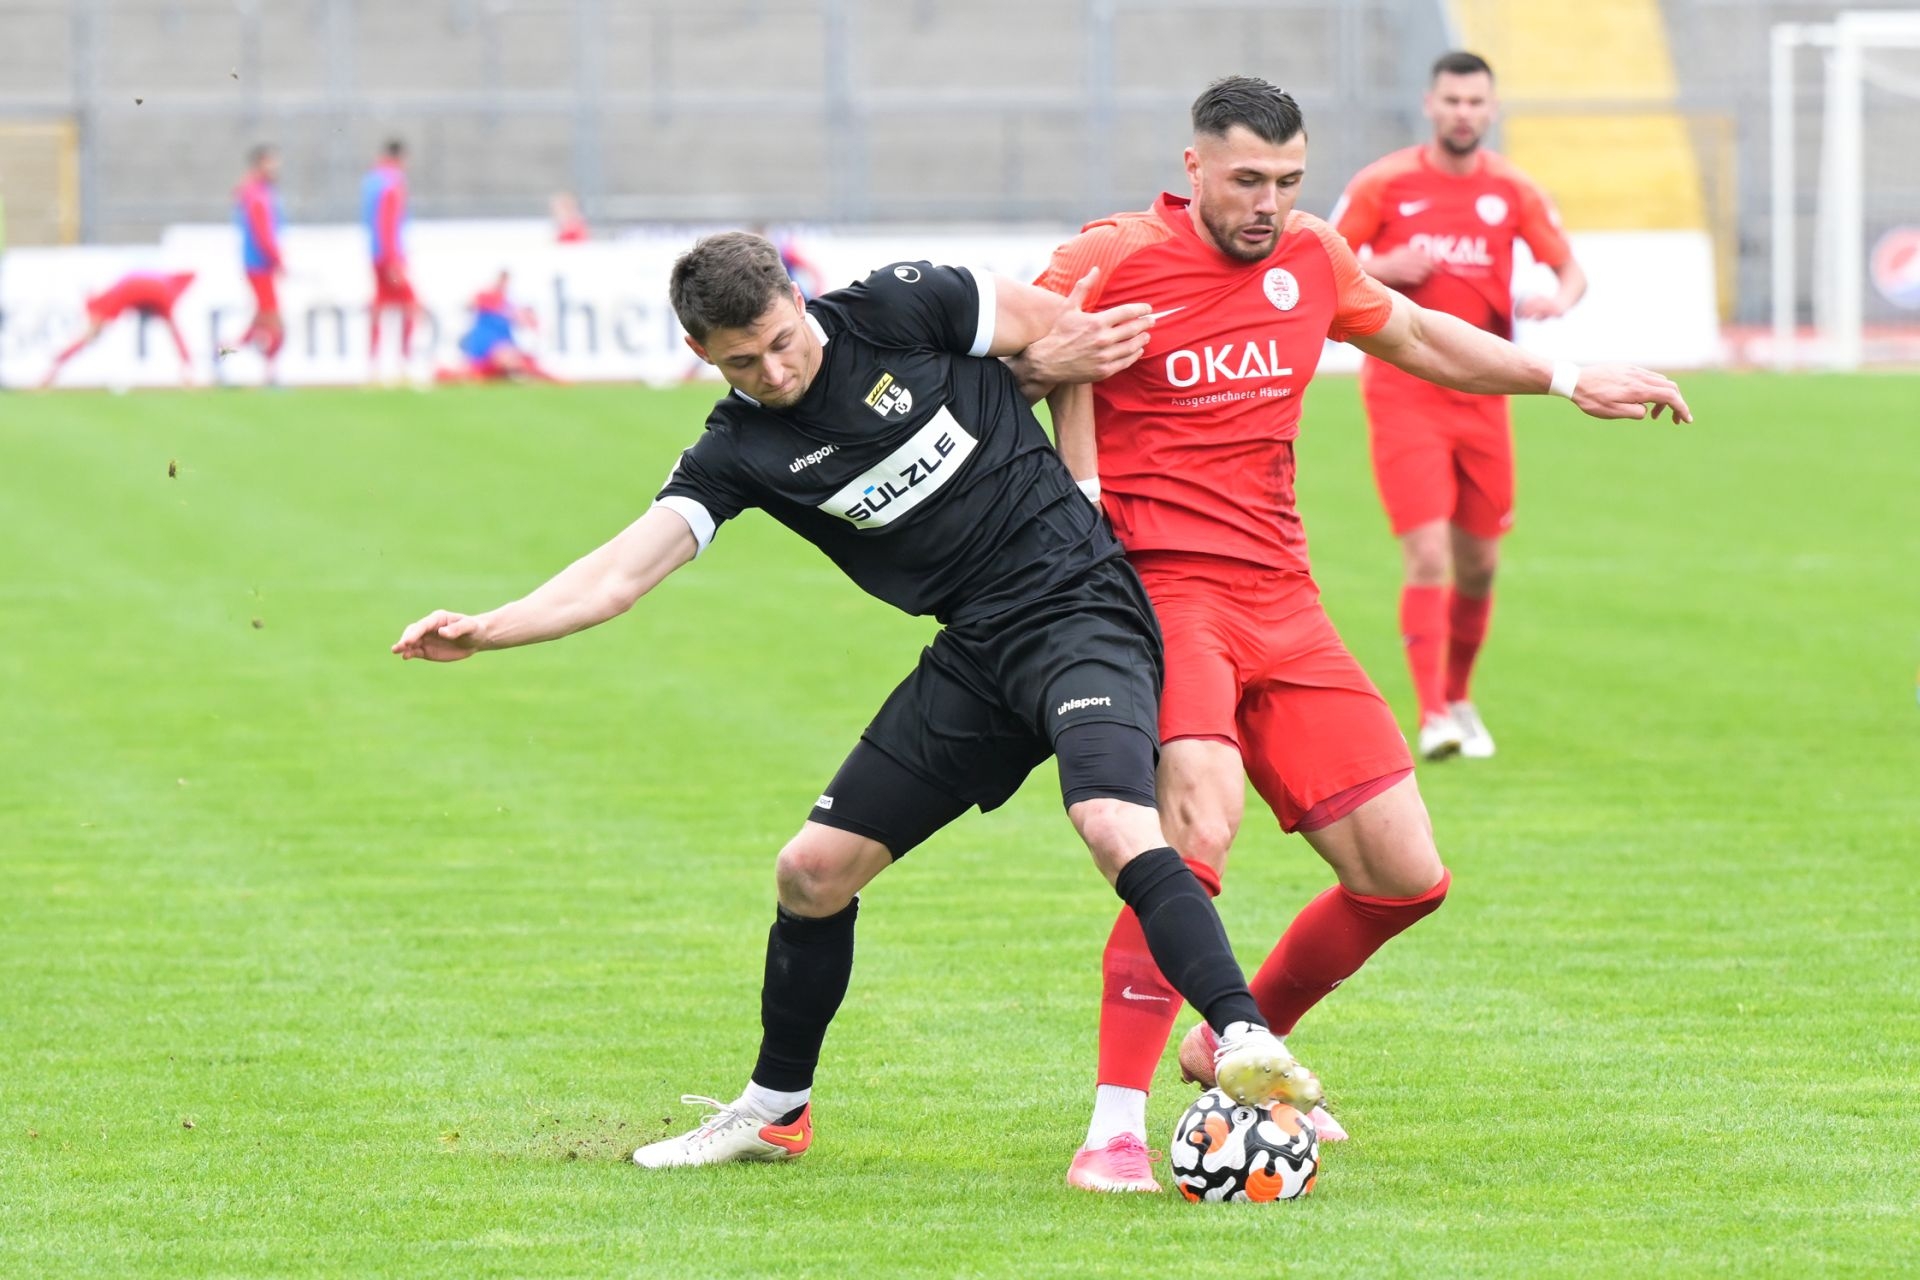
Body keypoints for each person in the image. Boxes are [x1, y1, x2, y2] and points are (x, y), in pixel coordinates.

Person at [392, 231, 1324, 1170]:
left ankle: (1243, 1037)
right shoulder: (738, 449)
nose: (774, 369)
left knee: (1111, 821)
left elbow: (1070, 340)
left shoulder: (907, 304)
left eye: (781, 341)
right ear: (700, 356)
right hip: (976, 651)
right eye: (741, 362)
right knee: (811, 873)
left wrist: (1081, 478)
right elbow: (619, 577)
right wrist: (490, 627)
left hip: (1082, 608)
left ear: (799, 300)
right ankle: (774, 1110)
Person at [1016, 74, 1687, 1193]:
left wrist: (1570, 376)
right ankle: (1113, 1128)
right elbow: (1002, 353)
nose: (1267, 203)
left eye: (1286, 180)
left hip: (1285, 597)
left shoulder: (1315, 256)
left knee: (1404, 874)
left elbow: (1422, 335)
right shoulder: (1111, 256)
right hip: (1163, 596)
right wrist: (1057, 393)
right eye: (1245, 181)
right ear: (1193, 170)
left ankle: (1234, 1040)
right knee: (1192, 832)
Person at [1332, 51, 1589, 760]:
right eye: (1452, 100)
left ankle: (1459, 694)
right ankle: (1432, 716)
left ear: (1492, 110)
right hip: (1403, 392)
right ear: (1430, 104)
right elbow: (1324, 263)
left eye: (1476, 102)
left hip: (1485, 397)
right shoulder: (1384, 183)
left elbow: (1570, 271)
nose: (1463, 113)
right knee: (1428, 554)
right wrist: (1382, 269)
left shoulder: (1512, 191)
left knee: (1479, 565)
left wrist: (1553, 300)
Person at [40, 270, 196, 388]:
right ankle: (188, 372)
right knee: (173, 330)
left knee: (90, 334)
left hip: (132, 287)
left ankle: (53, 369)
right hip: (149, 289)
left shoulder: (118, 293)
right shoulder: (166, 286)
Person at [363, 139, 425, 381]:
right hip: (389, 256)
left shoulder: (372, 179)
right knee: (411, 306)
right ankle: (404, 363)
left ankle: (374, 364)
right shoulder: (392, 182)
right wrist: (393, 261)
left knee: (380, 307)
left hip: (376, 254)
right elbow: (387, 223)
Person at [438, 270, 560, 383]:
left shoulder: (509, 302)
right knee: (479, 370)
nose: (503, 285)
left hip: (500, 345)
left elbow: (523, 320)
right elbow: (469, 305)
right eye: (502, 281)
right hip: (486, 346)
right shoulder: (486, 297)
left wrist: (530, 323)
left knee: (520, 361)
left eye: (506, 282)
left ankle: (553, 379)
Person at [232, 145, 284, 384]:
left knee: (262, 320)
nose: (276, 167)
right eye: (271, 163)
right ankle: (269, 374)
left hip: (258, 264)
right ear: (260, 164)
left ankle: (223, 354)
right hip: (260, 265)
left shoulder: (255, 190)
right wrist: (277, 259)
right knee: (274, 321)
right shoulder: (257, 193)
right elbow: (263, 233)